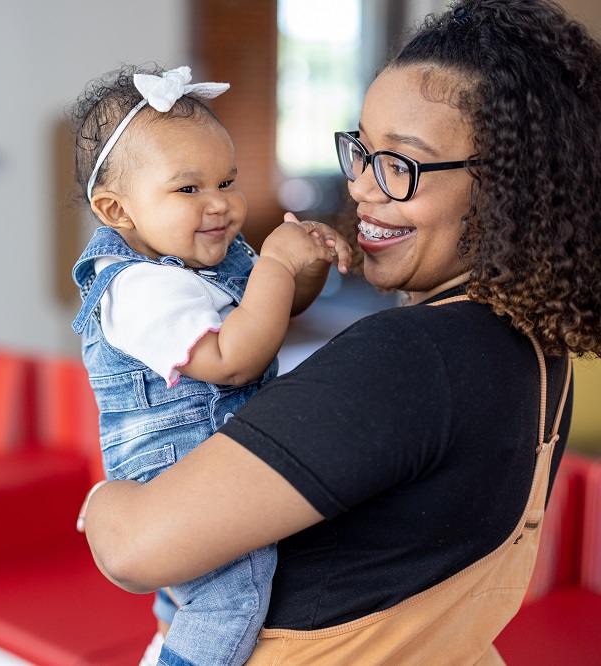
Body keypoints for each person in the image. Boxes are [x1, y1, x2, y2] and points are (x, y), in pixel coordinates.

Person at [77, 1, 601, 664]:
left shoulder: (411, 357)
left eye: (401, 165)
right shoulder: (531, 348)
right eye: (362, 152)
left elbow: (134, 550)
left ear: (510, 189)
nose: (361, 188)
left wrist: (104, 500)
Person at [67, 64, 352, 666]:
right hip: (176, 479)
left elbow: (270, 314)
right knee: (231, 601)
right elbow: (233, 361)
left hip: (210, 466)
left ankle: (169, 638)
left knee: (202, 593)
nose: (220, 204)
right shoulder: (138, 290)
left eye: (228, 180)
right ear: (117, 210)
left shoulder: (202, 258)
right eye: (189, 190)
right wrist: (274, 265)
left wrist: (304, 268)